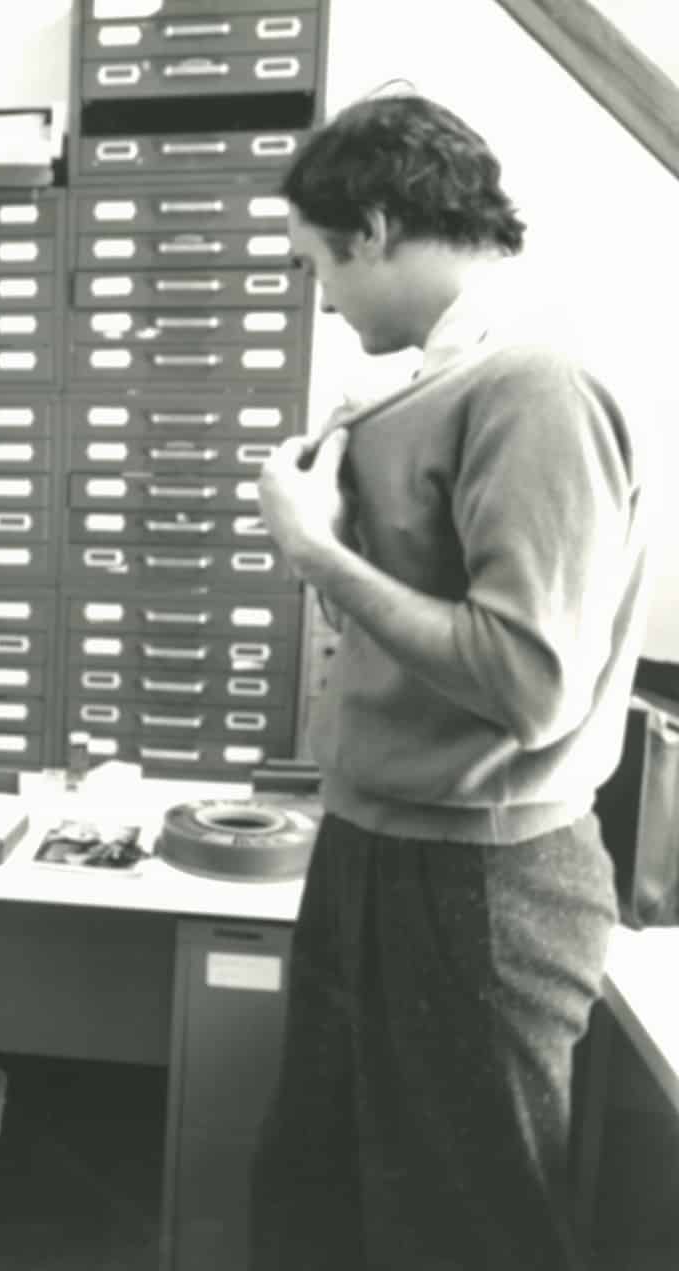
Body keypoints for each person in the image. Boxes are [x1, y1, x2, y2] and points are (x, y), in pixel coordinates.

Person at [253, 93, 652, 1270]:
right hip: (380, 843)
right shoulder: (440, 380)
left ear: (371, 227)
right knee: (315, 1184)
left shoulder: (535, 386)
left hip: (477, 877)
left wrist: (314, 552)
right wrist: (342, 518)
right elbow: (409, 637)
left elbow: (526, 681)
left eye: (319, 262)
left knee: (464, 1226)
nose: (318, 295)